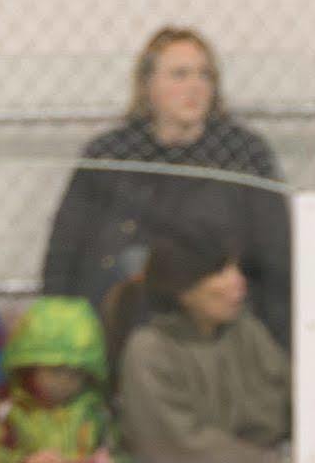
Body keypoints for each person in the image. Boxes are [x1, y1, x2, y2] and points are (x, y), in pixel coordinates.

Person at [41, 26, 289, 343]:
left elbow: (276, 253)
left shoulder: (243, 153)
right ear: (148, 86)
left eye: (205, 75)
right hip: (123, 310)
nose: (195, 87)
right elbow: (66, 246)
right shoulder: (110, 154)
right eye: (179, 75)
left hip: (220, 314)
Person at [115, 228, 290, 463]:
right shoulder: (149, 351)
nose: (238, 282)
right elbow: (178, 448)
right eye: (221, 272)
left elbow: (296, 399)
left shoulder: (247, 331)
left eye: (236, 269)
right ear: (182, 287)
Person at [0, 296, 116, 463]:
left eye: (76, 372)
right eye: (54, 371)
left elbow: (129, 455)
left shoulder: (98, 410)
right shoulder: (3, 408)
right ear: (30, 367)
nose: (64, 381)